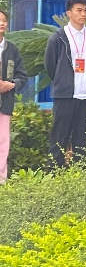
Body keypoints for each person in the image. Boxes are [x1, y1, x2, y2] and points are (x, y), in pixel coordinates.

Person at [46, 0, 86, 168]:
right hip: (65, 95)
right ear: (69, 13)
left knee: (82, 138)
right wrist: (63, 81)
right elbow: (50, 66)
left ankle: (80, 173)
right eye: (79, 10)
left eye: (85, 10)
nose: (83, 14)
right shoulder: (58, 37)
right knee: (60, 137)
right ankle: (55, 172)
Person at [0, 13, 29, 183]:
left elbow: (22, 76)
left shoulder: (12, 49)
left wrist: (10, 84)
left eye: (4, 20)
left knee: (3, 141)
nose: (1, 23)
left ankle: (1, 179)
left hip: (5, 103)